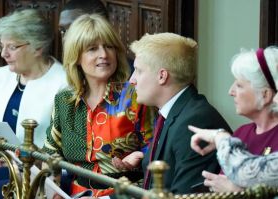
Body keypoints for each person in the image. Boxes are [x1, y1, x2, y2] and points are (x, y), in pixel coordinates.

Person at [43, 14, 154, 198]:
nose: (103, 54)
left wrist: (139, 159)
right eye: (92, 49)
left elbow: (157, 148)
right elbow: (51, 154)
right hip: (78, 194)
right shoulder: (64, 101)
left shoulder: (135, 97)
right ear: (76, 57)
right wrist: (53, 192)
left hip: (125, 194)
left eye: (108, 46)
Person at [114, 32, 232, 194]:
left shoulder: (195, 121)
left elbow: (183, 195)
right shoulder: (174, 111)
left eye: (138, 71)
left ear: (162, 76)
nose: (132, 80)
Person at [0, 9, 68, 198]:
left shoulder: (63, 83)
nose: (3, 53)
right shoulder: (0, 76)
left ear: (38, 47)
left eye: (12, 47)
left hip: (32, 170)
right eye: (1, 45)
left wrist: (30, 163)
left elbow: (63, 148)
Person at [189, 46, 278, 192]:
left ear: (265, 95)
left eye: (239, 85)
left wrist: (237, 192)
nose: (231, 92)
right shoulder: (241, 133)